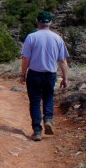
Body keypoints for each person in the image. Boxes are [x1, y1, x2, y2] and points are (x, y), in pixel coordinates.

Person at [20, 10, 70, 141]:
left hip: (34, 74)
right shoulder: (57, 38)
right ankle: (48, 119)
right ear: (51, 22)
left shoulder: (31, 37)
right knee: (48, 97)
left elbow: (26, 58)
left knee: (35, 101)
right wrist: (65, 78)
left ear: (38, 21)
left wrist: (22, 74)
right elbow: (63, 60)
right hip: (50, 74)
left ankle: (37, 131)